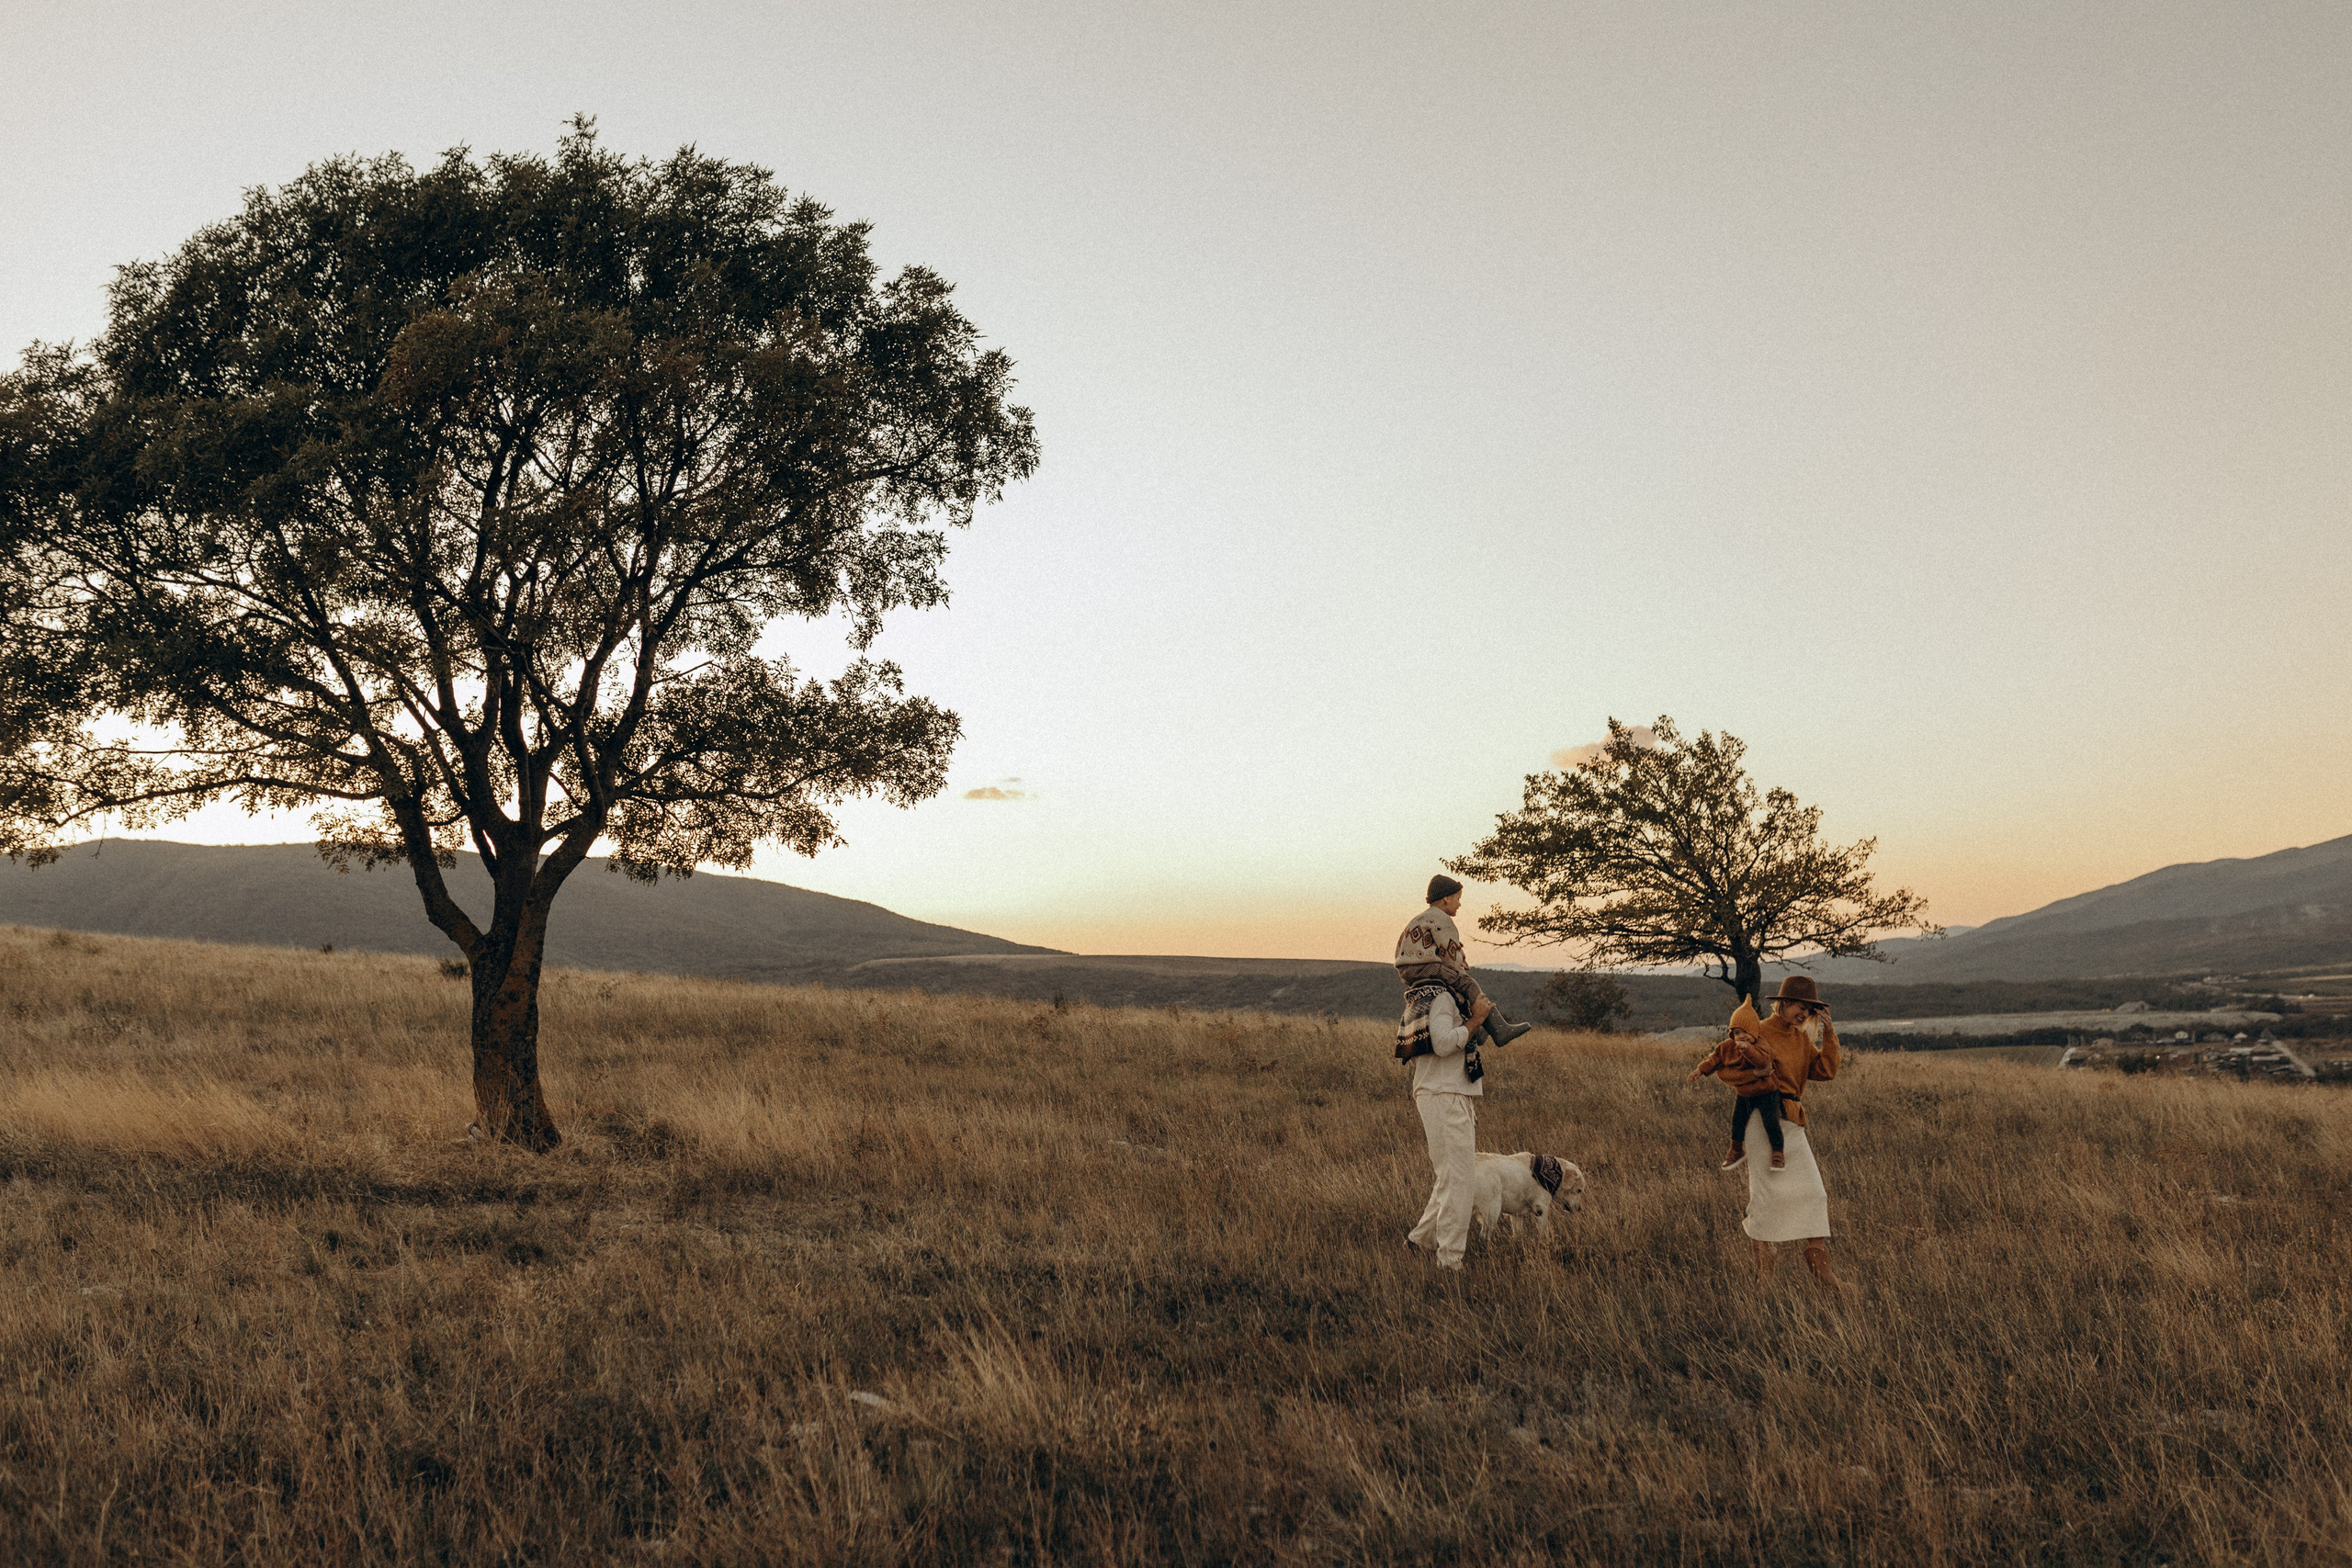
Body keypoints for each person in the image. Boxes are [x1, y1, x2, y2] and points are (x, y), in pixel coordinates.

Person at [1723, 975, 1842, 1287]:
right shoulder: (1758, 1029)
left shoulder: (1801, 1038)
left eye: (1809, 1010)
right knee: (1765, 1196)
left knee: (1815, 1193)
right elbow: (1732, 1063)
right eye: (1800, 1006)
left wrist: (1828, 1034)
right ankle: (1764, 1277)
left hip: (1793, 1121)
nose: (1804, 1014)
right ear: (1784, 1003)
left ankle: (1822, 1274)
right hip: (1760, 1122)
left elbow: (1826, 1071)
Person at [1396, 969, 1493, 1269]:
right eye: (1456, 951)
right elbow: (1442, 1043)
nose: (1463, 955)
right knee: (1460, 1180)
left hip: (1444, 1093)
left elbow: (1458, 1038)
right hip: (1444, 1094)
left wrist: (1476, 1016)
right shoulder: (1440, 998)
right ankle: (1450, 1261)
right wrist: (1475, 1019)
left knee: (1451, 1175)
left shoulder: (1430, 996)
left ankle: (1421, 1239)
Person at [1395, 875, 1533, 1051]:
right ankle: (1499, 1028)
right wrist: (1459, 970)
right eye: (1458, 899)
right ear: (1446, 898)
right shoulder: (1443, 920)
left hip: (1408, 970)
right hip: (1425, 967)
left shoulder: (1419, 919)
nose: (1459, 904)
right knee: (1467, 983)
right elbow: (1450, 953)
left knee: (1457, 986)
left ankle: (1481, 1031)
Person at [1687, 1023, 1797, 1170]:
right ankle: (1736, 1150)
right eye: (1737, 1033)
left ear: (1755, 1032)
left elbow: (1763, 1062)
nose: (1742, 1036)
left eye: (1746, 1032)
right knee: (1738, 1121)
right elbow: (1715, 1059)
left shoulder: (1762, 1045)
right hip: (1745, 1092)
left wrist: (1748, 1050)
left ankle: (1778, 1153)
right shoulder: (1727, 1047)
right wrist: (1700, 1070)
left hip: (1767, 1092)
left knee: (1770, 1122)